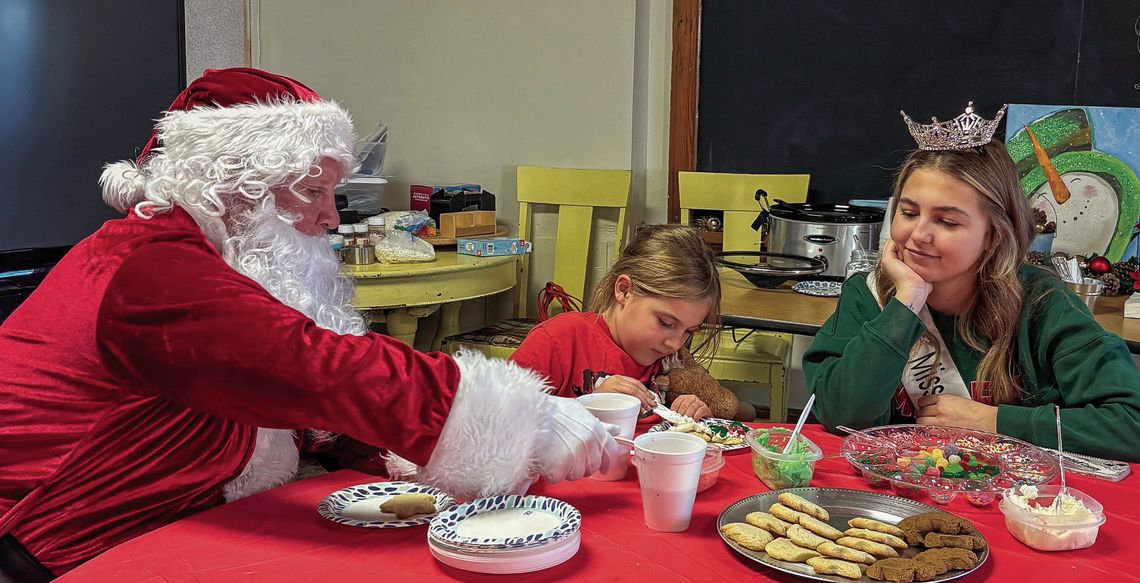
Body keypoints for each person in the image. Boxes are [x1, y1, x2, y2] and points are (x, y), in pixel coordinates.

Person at [0, 68, 622, 578]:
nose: (330, 219)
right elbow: (314, 368)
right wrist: (523, 416)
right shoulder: (148, 267)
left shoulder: (215, 256)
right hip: (54, 542)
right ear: (233, 184)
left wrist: (395, 450)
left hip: (163, 522)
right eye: (310, 191)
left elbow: (310, 405)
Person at [803, 102, 1140, 462]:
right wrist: (906, 304)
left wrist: (996, 421)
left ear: (995, 235)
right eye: (909, 212)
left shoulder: (1041, 303)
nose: (919, 235)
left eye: (947, 222)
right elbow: (840, 415)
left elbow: (1130, 425)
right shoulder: (869, 295)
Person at [510, 224, 722, 421]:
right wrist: (586, 406)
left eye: (689, 331)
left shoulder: (670, 360)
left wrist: (697, 416)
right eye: (665, 323)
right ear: (624, 290)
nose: (676, 344)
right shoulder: (559, 339)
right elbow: (496, 419)